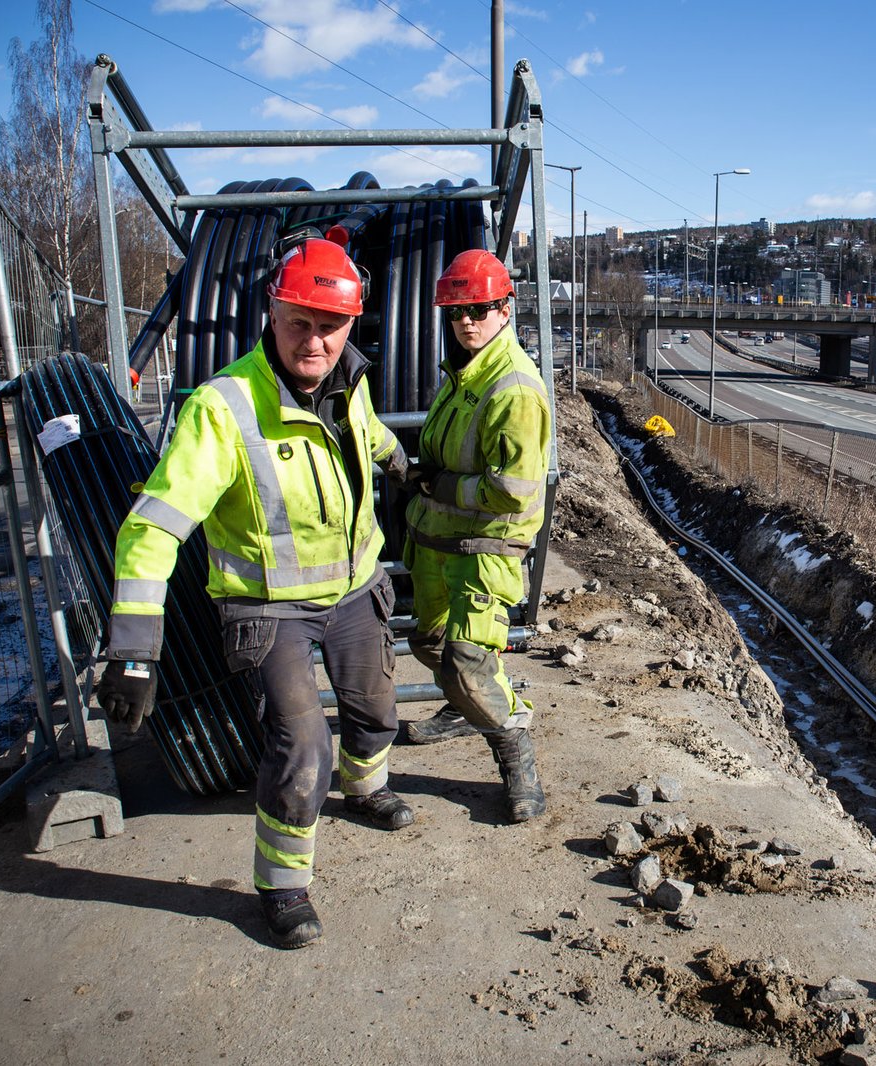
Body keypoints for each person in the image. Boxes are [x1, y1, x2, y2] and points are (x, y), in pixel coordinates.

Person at [95, 233, 416, 950]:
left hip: (356, 588)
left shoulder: (347, 381)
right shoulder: (224, 408)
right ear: (271, 313)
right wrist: (135, 651)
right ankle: (282, 884)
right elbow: (152, 529)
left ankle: (367, 789)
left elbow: (367, 438)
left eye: (330, 325)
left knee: (376, 709)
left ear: (350, 326)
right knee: (302, 746)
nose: (314, 340)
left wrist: (404, 470)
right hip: (270, 608)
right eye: (299, 321)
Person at [400, 248, 551, 823]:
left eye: (481, 308)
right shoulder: (466, 370)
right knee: (432, 645)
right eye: (458, 309)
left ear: (506, 308)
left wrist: (442, 487)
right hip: (440, 541)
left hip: (483, 547)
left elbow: (513, 491)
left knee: (468, 662)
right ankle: (467, 707)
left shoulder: (512, 388)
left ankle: (516, 756)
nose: (467, 320)